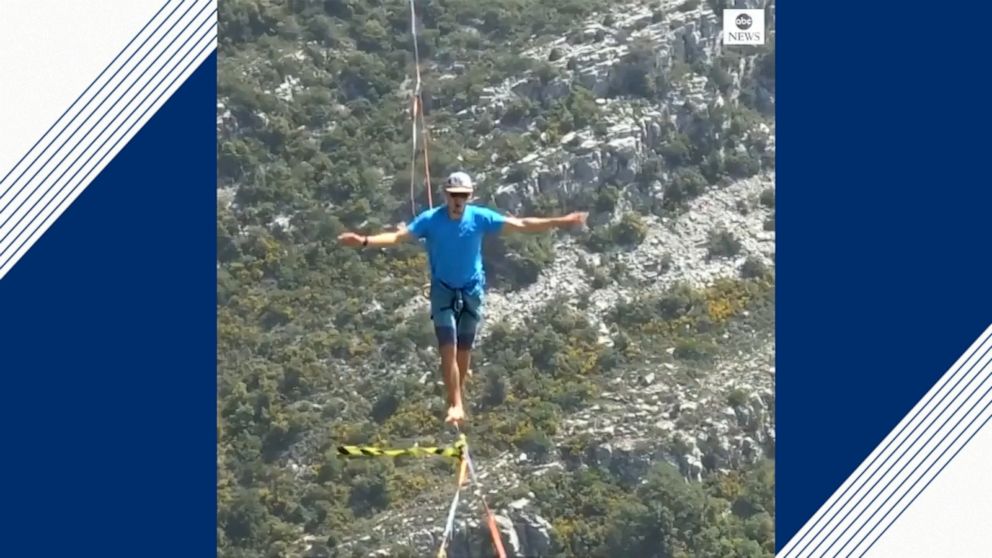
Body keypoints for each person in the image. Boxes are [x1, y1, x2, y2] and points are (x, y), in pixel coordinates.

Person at [338, 171, 587, 426]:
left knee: (464, 353)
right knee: (448, 349)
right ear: (446, 195)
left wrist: (560, 221)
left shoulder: (480, 217)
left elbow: (521, 225)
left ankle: (457, 393)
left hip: (471, 290)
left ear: (470, 195)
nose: (458, 201)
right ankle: (456, 403)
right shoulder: (431, 220)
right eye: (454, 196)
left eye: (463, 196)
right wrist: (364, 241)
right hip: (443, 291)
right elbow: (398, 237)